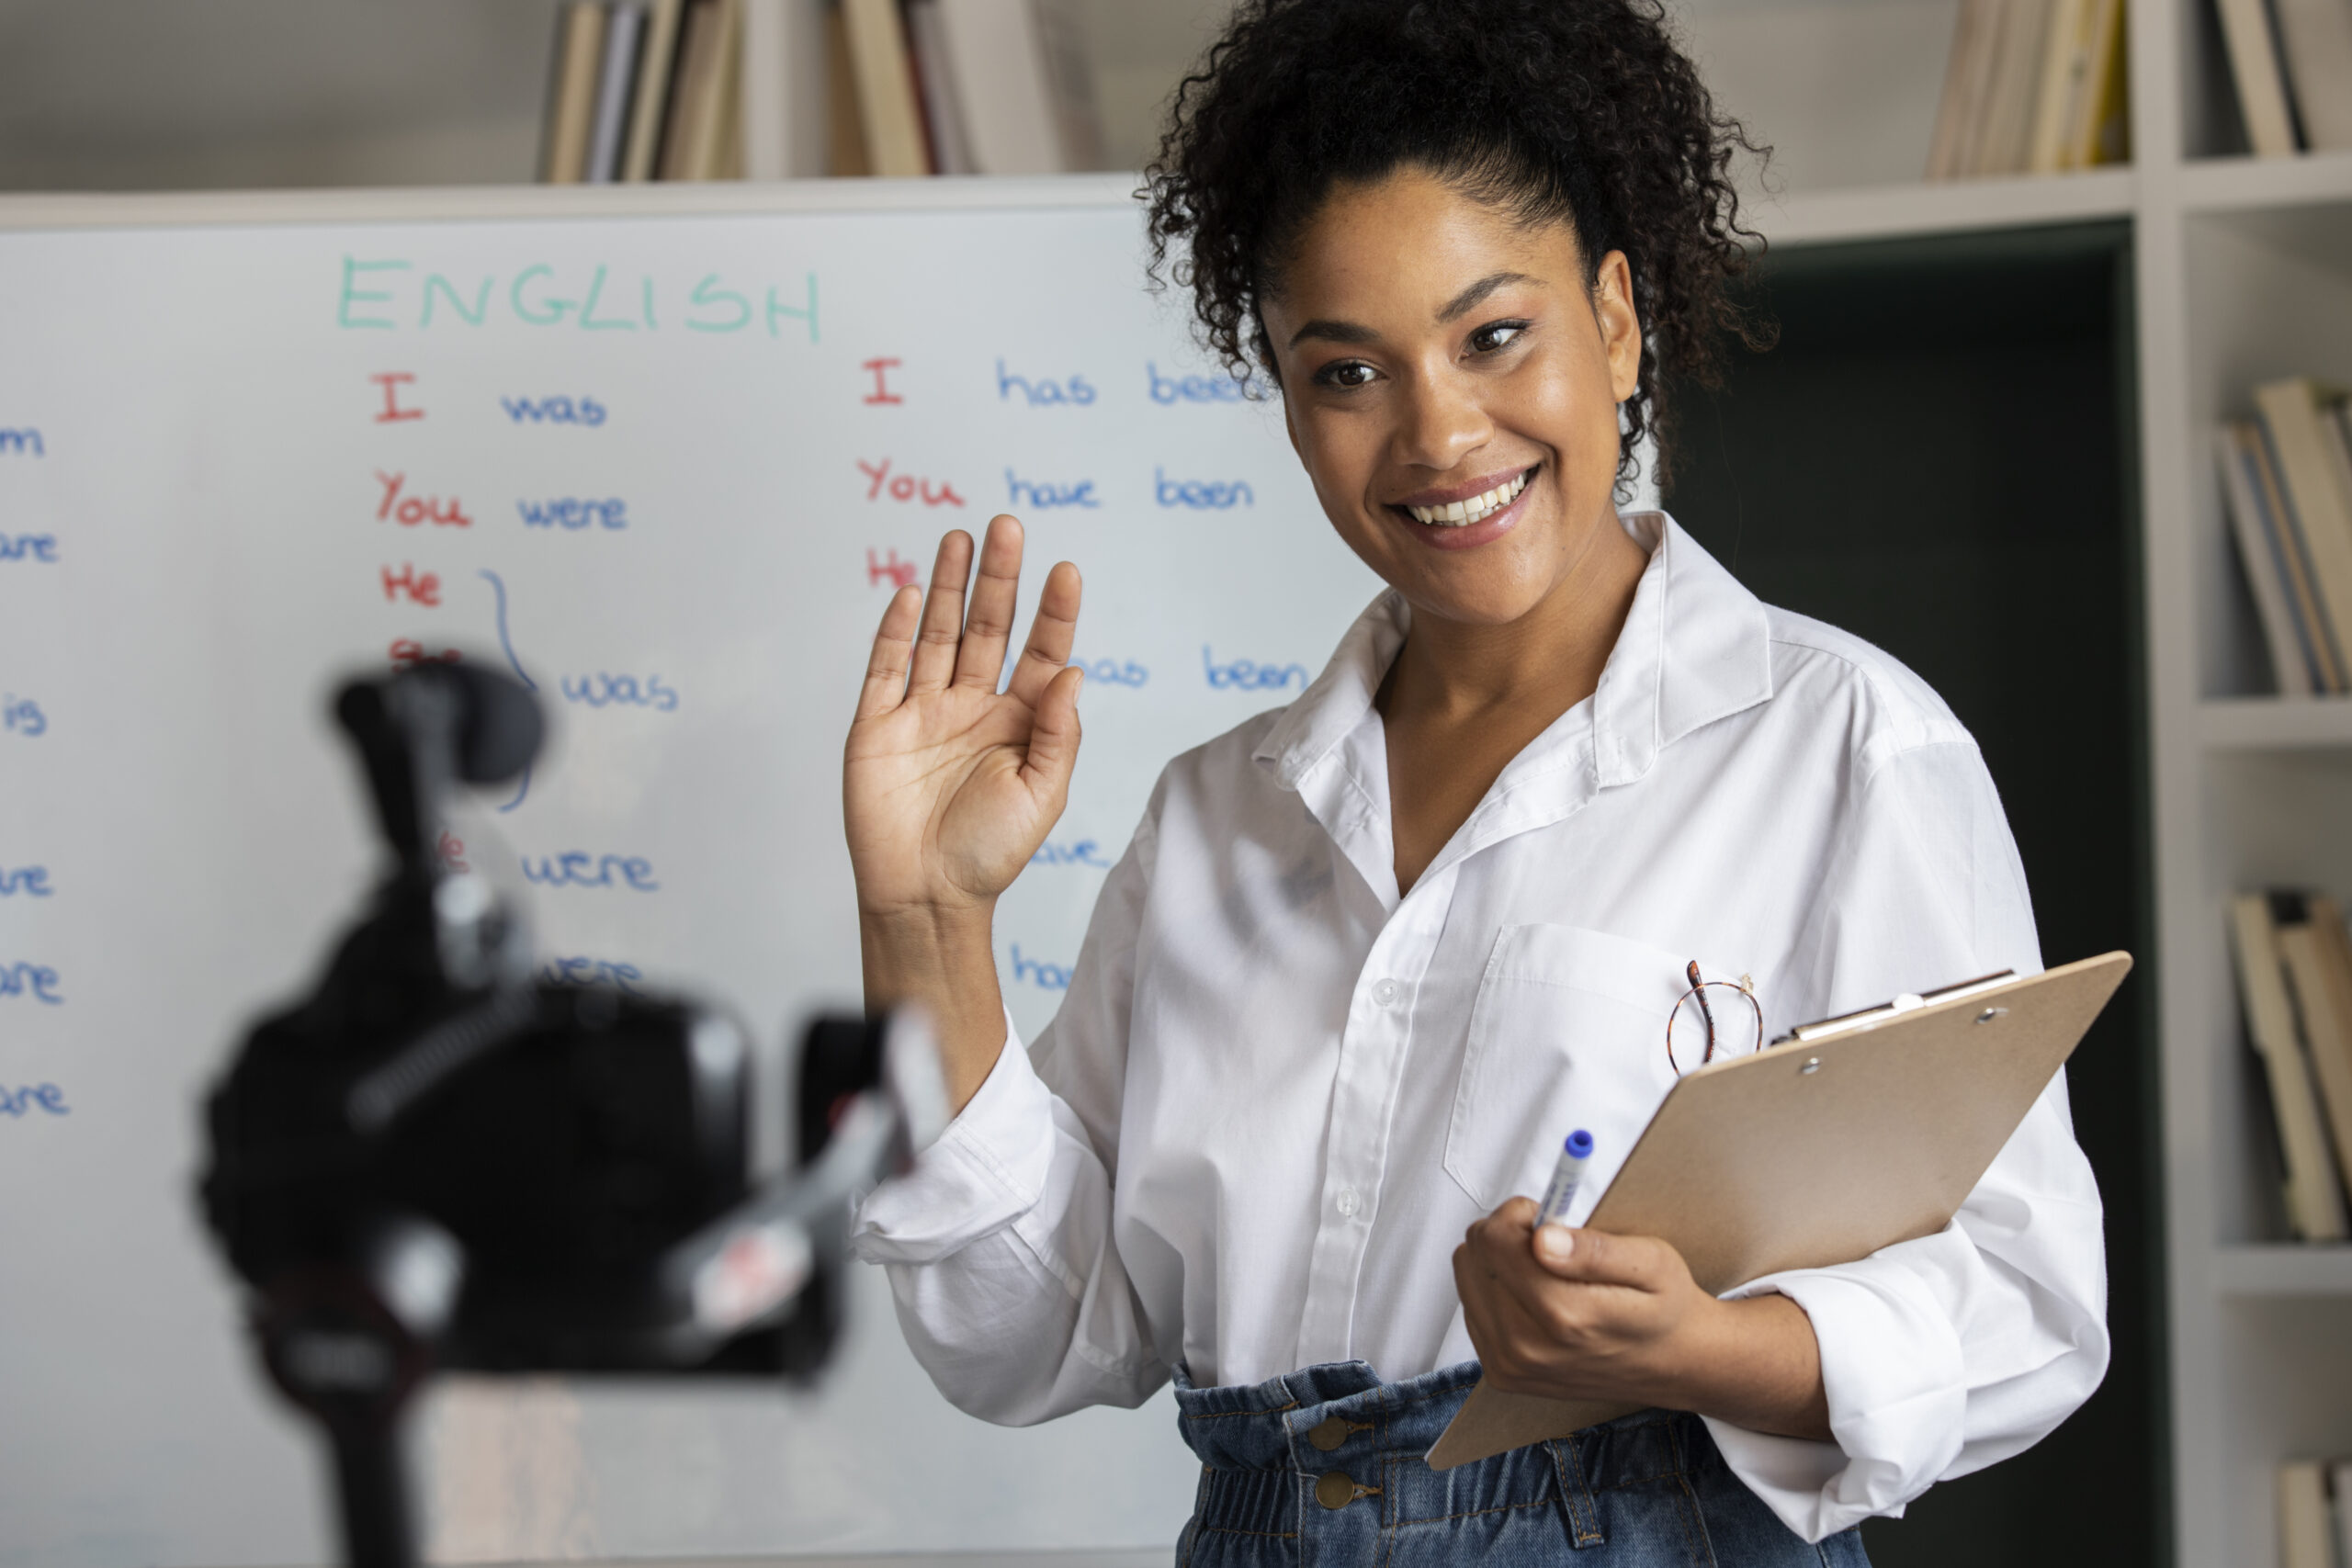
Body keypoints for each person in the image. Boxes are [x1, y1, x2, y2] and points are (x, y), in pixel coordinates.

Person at [842, 0, 2108, 1560]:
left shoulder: (1841, 746)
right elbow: (1029, 1337)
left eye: (1494, 335)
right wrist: (924, 918)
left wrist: (1698, 1352)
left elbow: (2031, 1303)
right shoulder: (1215, 821)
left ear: (1619, 319)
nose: (1439, 433)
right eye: (1347, 371)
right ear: (1291, 403)